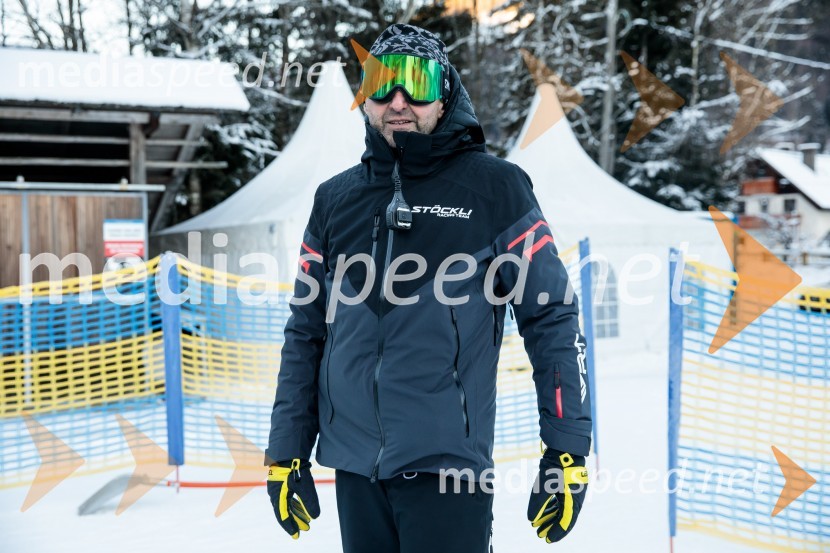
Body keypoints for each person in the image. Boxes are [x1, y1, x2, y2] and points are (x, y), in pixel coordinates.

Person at [265, 23, 592, 553]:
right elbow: (305, 331)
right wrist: (287, 450)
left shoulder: (496, 188)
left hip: (449, 471)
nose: (398, 100)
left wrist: (566, 451)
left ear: (443, 93)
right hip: (356, 471)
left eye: (416, 83)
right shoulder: (334, 199)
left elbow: (552, 317)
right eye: (382, 83)